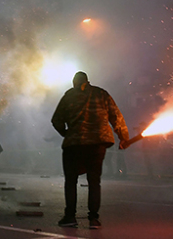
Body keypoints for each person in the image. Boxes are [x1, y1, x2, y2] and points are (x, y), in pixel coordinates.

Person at [51, 71, 129, 229]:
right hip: (97, 143)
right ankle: (94, 219)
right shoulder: (101, 94)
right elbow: (116, 116)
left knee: (71, 181)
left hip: (75, 144)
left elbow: (56, 120)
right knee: (94, 181)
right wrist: (123, 137)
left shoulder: (69, 95)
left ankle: (70, 217)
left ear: (75, 82)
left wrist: (66, 133)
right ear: (87, 81)